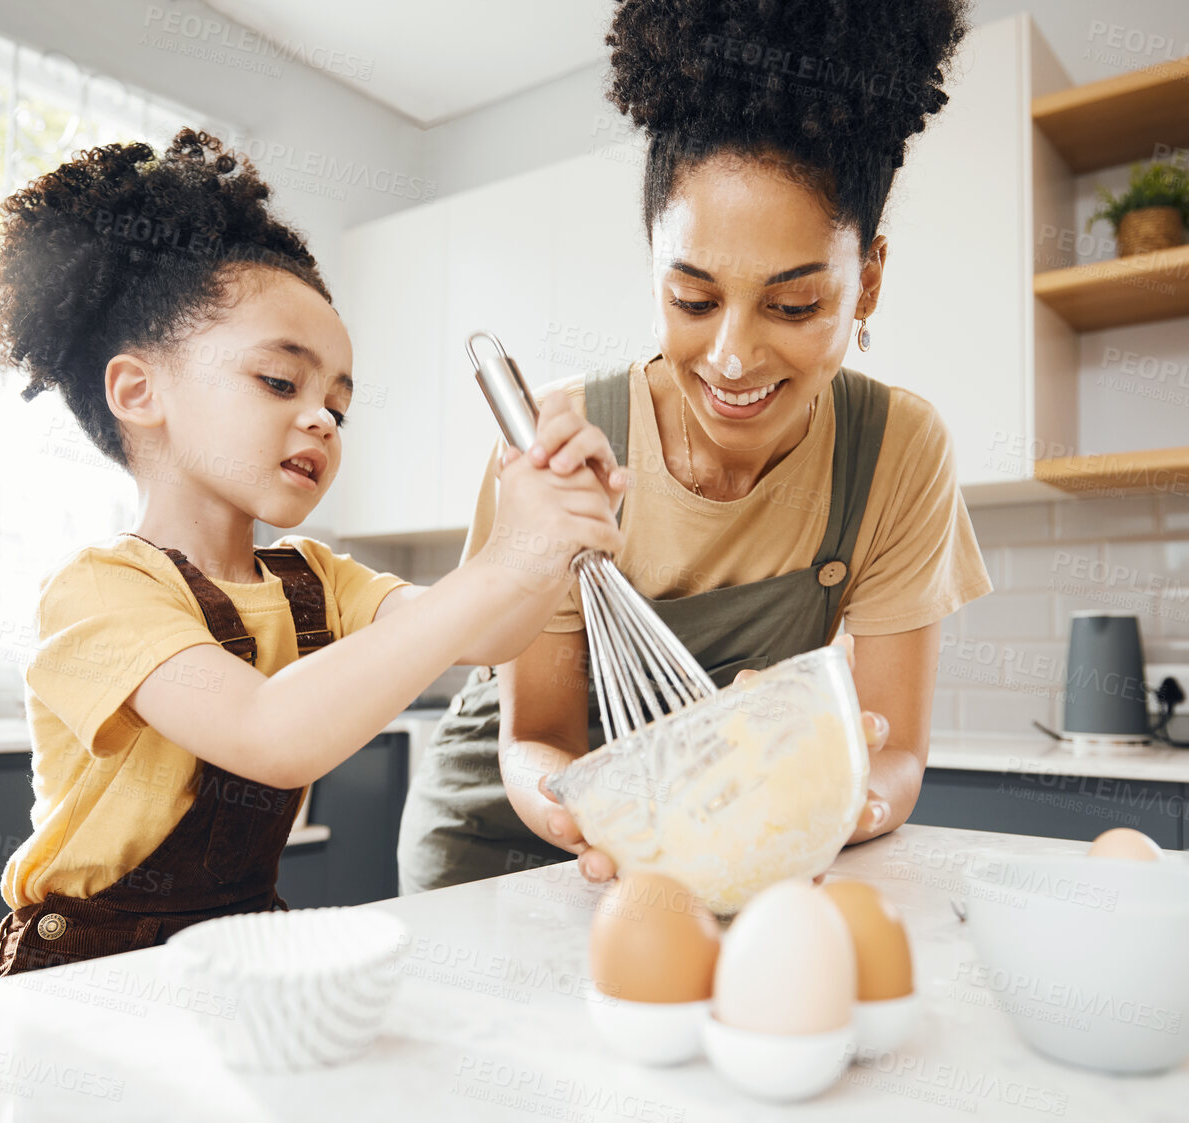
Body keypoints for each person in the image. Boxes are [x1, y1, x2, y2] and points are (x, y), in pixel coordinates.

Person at [0, 129, 625, 977]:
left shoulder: (313, 579)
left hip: (236, 945)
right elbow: (269, 730)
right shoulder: (100, 592)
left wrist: (542, 536)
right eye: (281, 382)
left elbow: (484, 637)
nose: (321, 417)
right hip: (81, 968)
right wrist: (508, 558)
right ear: (139, 391)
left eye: (339, 405)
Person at [397, 0, 990, 894]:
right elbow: (536, 736)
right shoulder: (564, 445)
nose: (732, 356)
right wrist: (590, 810)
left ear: (865, 283)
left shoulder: (897, 451)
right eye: (694, 299)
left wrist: (832, 806)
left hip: (716, 843)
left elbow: (893, 745)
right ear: (653, 269)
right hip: (509, 837)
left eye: (793, 305)